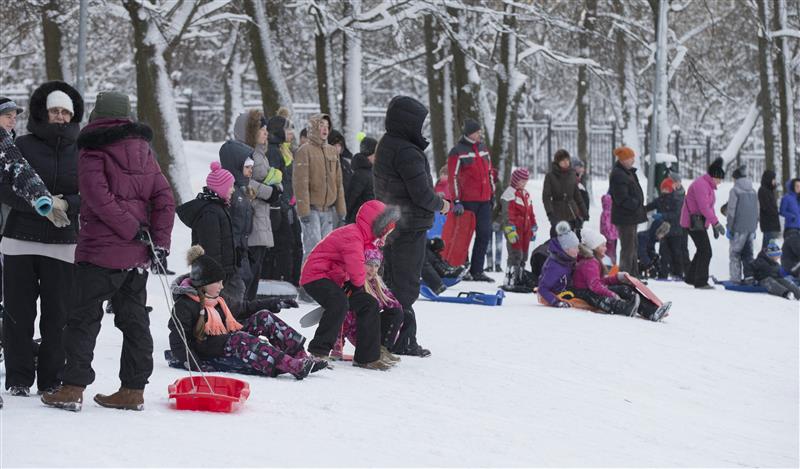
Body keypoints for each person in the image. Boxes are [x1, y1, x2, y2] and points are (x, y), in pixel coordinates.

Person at [42, 91, 175, 412]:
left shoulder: (92, 149)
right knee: (134, 320)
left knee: (83, 319)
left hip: (100, 252)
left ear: (97, 115)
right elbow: (164, 198)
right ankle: (133, 389)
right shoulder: (145, 152)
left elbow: (97, 198)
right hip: (137, 257)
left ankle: (73, 387)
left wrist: (130, 229)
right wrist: (158, 241)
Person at [0, 81, 83, 398]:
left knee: (58, 317)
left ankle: (52, 378)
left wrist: (66, 205)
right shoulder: (20, 144)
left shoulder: (82, 150)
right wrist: (38, 206)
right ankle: (19, 377)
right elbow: (5, 186)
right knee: (18, 314)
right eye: (54, 110)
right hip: (20, 238)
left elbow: (88, 194)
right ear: (43, 113)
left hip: (63, 243)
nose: (60, 116)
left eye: (65, 111)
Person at [167, 246, 325, 378]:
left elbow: (243, 308)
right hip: (210, 348)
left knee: (264, 317)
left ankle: (299, 355)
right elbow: (178, 339)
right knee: (240, 338)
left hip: (228, 338)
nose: (222, 286)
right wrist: (194, 364)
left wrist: (273, 302)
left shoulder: (218, 298)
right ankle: (292, 366)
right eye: (218, 282)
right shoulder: (185, 305)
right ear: (204, 283)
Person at [373, 96, 449, 357]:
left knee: (393, 280)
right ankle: (401, 339)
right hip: (409, 223)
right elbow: (421, 194)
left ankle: (389, 335)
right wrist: (443, 205)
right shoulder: (406, 151)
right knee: (404, 284)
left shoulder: (389, 144)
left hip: (392, 221)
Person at [300, 200, 400, 370]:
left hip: (336, 278)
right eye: (385, 232)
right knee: (338, 302)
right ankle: (319, 351)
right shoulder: (352, 235)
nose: (385, 236)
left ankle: (367, 357)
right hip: (316, 276)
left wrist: (356, 286)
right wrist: (357, 285)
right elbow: (356, 265)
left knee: (369, 304)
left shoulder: (364, 239)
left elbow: (362, 265)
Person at [233, 110, 279, 299]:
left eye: (266, 129)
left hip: (263, 215)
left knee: (256, 270)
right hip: (251, 216)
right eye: (262, 129)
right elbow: (243, 181)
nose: (266, 132)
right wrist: (270, 192)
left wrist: (277, 187)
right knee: (248, 272)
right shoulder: (244, 152)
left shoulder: (261, 153)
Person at [331, 247, 403, 366]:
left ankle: (381, 350)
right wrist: (337, 347)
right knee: (369, 306)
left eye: (376, 266)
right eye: (369, 264)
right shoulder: (352, 285)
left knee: (396, 311)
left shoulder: (376, 283)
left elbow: (395, 305)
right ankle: (369, 353)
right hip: (360, 333)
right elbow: (342, 318)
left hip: (373, 332)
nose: (373, 269)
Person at [447, 118, 496, 282]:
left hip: (484, 200)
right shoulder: (457, 151)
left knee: (484, 234)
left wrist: (492, 193)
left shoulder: (483, 148)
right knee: (464, 236)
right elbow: (452, 177)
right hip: (467, 202)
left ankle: (477, 270)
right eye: (477, 132)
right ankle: (463, 268)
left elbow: (489, 172)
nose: (480, 134)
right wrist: (456, 201)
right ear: (469, 133)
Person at [294, 114, 346, 258]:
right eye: (321, 125)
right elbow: (300, 183)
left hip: (329, 210)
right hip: (311, 210)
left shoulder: (332, 151)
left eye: (327, 126)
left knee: (327, 250)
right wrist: (303, 211)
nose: (325, 129)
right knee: (313, 250)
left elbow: (338, 182)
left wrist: (341, 210)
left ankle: (323, 280)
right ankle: (308, 280)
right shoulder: (304, 151)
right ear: (314, 127)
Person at [681, 157, 726, 289]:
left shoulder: (709, 187)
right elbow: (704, 207)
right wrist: (717, 223)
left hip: (700, 223)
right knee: (706, 251)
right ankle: (700, 281)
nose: (720, 182)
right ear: (714, 176)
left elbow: (710, 208)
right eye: (720, 179)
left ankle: (691, 277)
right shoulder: (701, 185)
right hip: (692, 222)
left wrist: (713, 225)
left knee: (702, 250)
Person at [219, 140, 256, 295]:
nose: (250, 171)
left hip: (242, 251)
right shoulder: (229, 192)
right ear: (236, 166)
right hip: (231, 254)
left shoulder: (242, 191)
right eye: (247, 167)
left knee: (245, 282)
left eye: (251, 168)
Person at [609, 146, 647, 278]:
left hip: (631, 216)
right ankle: (624, 276)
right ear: (623, 159)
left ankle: (633, 275)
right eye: (630, 158)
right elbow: (622, 198)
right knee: (628, 248)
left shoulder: (628, 172)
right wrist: (636, 204)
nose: (633, 160)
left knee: (633, 246)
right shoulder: (619, 174)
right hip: (625, 217)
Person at [500, 168, 537, 289]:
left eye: (525, 181)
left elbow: (531, 213)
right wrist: (510, 229)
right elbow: (507, 214)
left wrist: (533, 225)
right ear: (516, 180)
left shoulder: (525, 194)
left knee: (524, 254)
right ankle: (510, 278)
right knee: (515, 254)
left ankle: (519, 277)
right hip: (515, 229)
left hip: (525, 229)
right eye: (522, 181)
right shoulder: (509, 194)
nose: (524, 183)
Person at [645, 178, 685, 279]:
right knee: (664, 253)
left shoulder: (676, 199)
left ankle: (678, 273)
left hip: (675, 231)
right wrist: (641, 209)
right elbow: (650, 206)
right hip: (664, 231)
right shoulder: (660, 200)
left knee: (676, 253)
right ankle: (663, 274)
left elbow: (676, 215)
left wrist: (662, 215)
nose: (664, 191)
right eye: (663, 189)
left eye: (666, 189)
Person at [542, 149, 586, 237]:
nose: (566, 162)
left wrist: (583, 212)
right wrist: (550, 214)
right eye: (563, 160)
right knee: (558, 241)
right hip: (557, 212)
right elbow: (546, 197)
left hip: (572, 212)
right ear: (558, 162)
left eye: (567, 160)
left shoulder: (572, 174)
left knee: (573, 242)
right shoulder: (550, 176)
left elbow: (577, 195)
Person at [726, 166, 759, 283]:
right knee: (748, 254)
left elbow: (731, 211)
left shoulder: (734, 191)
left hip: (738, 228)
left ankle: (735, 279)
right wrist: (754, 227)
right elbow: (757, 211)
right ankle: (750, 277)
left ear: (735, 178)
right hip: (751, 228)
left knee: (735, 254)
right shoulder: (753, 191)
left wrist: (729, 227)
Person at [537, 221, 580, 307]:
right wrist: (556, 301)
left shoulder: (566, 259)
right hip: (553, 296)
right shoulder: (555, 267)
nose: (578, 250)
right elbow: (542, 288)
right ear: (566, 249)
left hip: (564, 291)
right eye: (575, 247)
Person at [345, 134, 377, 224]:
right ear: (369, 154)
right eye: (375, 153)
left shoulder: (371, 171)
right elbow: (350, 198)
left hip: (369, 217)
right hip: (359, 219)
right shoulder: (361, 174)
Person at [758, 170, 781, 250]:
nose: (775, 181)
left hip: (771, 225)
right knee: (768, 249)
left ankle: (764, 262)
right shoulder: (763, 190)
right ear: (769, 179)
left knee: (767, 249)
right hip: (768, 225)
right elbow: (767, 207)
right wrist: (776, 211)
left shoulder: (770, 191)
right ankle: (764, 262)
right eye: (773, 179)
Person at [328, 128, 353, 194]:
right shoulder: (323, 163)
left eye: (339, 145)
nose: (337, 148)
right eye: (334, 145)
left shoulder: (345, 163)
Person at [600, 192, 618, 265]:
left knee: (609, 253)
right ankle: (611, 269)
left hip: (610, 237)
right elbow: (606, 226)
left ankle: (611, 268)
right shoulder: (608, 214)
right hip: (610, 237)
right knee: (610, 254)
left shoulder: (606, 213)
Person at [572, 158, 590, 229]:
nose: (583, 170)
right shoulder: (573, 181)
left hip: (579, 216)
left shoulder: (578, 180)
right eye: (580, 167)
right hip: (575, 217)